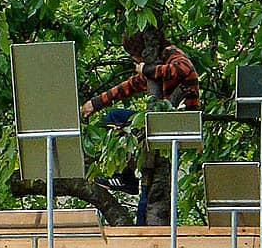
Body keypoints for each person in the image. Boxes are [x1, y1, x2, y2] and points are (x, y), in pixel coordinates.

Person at [80, 31, 200, 224]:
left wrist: (147, 69)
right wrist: (94, 104)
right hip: (158, 126)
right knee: (115, 118)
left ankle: (126, 177)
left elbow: (183, 69)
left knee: (116, 119)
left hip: (176, 126)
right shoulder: (156, 69)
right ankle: (126, 175)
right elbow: (128, 86)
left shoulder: (172, 54)